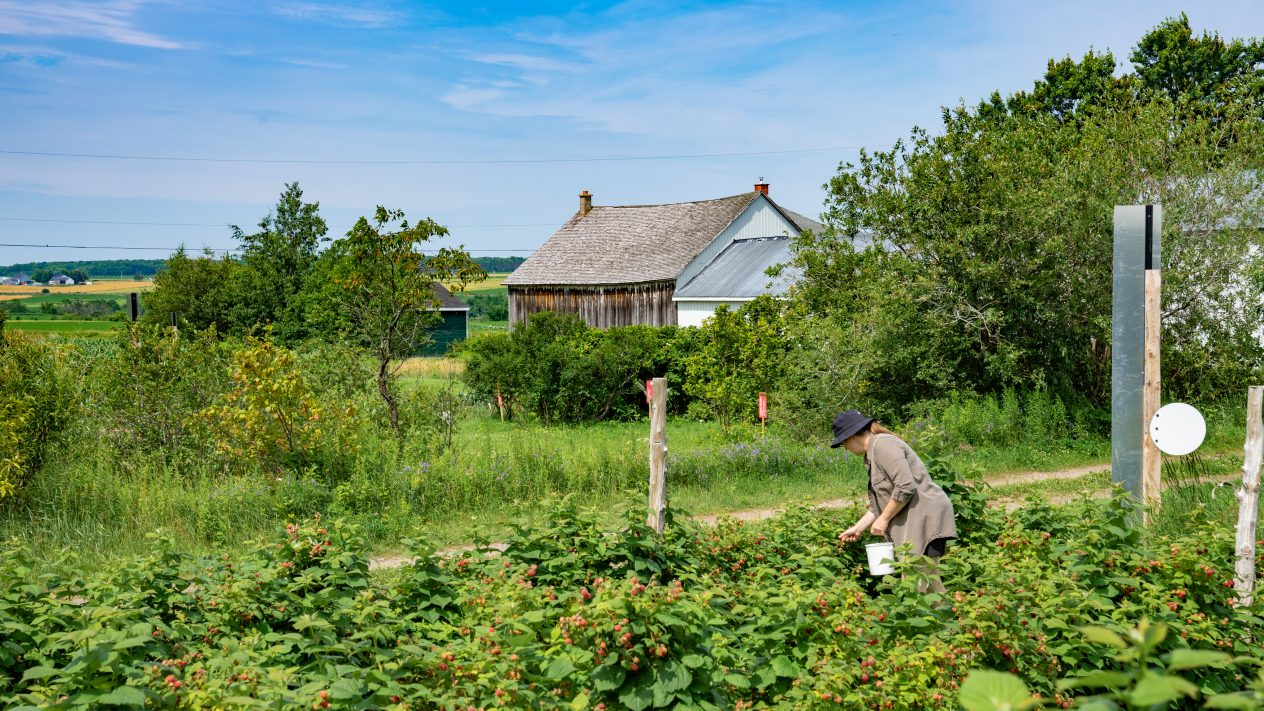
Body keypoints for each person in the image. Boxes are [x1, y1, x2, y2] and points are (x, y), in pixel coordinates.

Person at [832, 409, 956, 592]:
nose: (847, 449)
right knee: (931, 584)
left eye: (843, 444)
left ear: (850, 437)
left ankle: (920, 618)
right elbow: (883, 503)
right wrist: (858, 528)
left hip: (925, 520)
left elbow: (905, 486)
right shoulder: (873, 453)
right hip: (918, 520)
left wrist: (884, 519)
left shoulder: (883, 445)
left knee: (914, 583)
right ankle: (949, 618)